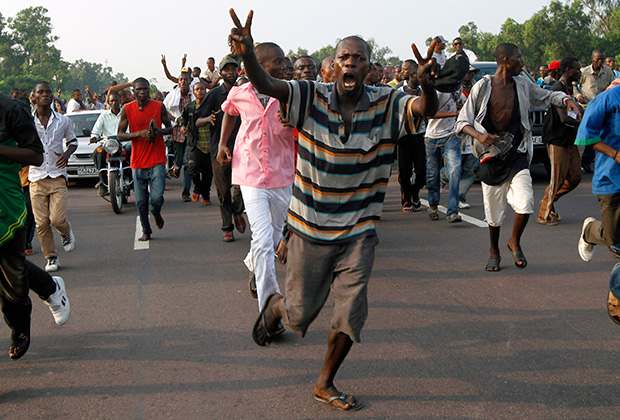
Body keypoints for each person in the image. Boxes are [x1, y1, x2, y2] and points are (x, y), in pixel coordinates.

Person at [228, 9, 438, 411]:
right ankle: (274, 311)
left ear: (369, 68)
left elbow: (422, 110)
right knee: (299, 314)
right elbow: (268, 83)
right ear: (332, 66)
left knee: (351, 311)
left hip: (359, 231)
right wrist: (249, 56)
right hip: (309, 228)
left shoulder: (388, 102)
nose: (351, 64)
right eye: (344, 57)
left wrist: (427, 87)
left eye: (359, 58)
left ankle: (325, 382)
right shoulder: (309, 95)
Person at [455, 43, 582, 272]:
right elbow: (462, 122)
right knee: (493, 216)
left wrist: (565, 100)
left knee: (525, 203)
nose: (521, 62)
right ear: (506, 61)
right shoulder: (482, 88)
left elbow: (546, 95)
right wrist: (479, 136)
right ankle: (494, 250)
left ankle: (514, 241)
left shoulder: (522, 84)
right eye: (518, 58)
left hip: (517, 154)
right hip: (490, 157)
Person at [218, 42, 295, 312]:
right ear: (258, 67)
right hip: (250, 172)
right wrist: (222, 143)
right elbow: (229, 113)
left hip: (283, 173)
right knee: (262, 239)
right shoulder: (239, 93)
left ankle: (254, 264)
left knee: (273, 239)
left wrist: (293, 120)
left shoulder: (291, 93)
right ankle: (268, 307)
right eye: (277, 61)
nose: (284, 66)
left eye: (285, 61)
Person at [1, 94, 71, 360]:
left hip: (4, 204)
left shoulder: (10, 109)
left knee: (12, 273)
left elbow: (35, 154)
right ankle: (49, 287)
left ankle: (21, 325)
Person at [573, 85, 620, 324]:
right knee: (613, 237)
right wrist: (615, 154)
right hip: (611, 178)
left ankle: (617, 293)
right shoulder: (607, 100)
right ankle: (590, 231)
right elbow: (587, 136)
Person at [29, 81, 78, 272]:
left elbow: (72, 142)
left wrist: (66, 155)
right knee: (41, 223)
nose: (45, 95)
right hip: (36, 176)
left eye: (48, 92)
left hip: (57, 176)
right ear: (33, 96)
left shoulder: (63, 121)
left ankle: (66, 232)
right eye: (40, 92)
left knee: (56, 219)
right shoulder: (27, 122)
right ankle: (51, 257)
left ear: (52, 96)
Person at [117, 78, 173, 241]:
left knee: (156, 197)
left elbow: (170, 127)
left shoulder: (158, 106)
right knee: (141, 201)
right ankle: (146, 230)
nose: (142, 92)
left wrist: (158, 132)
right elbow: (120, 135)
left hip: (157, 159)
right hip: (138, 161)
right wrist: (139, 134)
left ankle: (156, 212)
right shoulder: (127, 109)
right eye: (139, 89)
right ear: (133, 92)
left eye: (145, 89)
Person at [199, 56, 246, 242]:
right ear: (221, 73)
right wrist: (208, 119)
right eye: (227, 69)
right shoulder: (213, 95)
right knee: (224, 191)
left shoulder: (244, 92)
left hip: (243, 147)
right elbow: (198, 118)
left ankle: (238, 210)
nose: (231, 73)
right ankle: (227, 227)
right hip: (218, 149)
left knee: (241, 187)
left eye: (234, 69)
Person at [537, 57, 583, 225]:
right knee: (557, 178)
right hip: (557, 139)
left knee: (575, 178)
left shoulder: (570, 88)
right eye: (576, 69)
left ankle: (547, 201)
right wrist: (583, 123)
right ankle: (544, 214)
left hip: (569, 139)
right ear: (567, 70)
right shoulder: (558, 89)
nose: (579, 72)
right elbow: (564, 118)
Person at [577, 49, 615, 173]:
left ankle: (593, 160)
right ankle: (586, 161)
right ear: (592, 59)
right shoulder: (584, 72)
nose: (600, 61)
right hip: (588, 107)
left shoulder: (608, 71)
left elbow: (612, 86)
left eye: (602, 59)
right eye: (598, 59)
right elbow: (573, 85)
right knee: (590, 134)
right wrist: (578, 96)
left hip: (604, 107)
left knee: (602, 134)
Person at [396, 60, 426, 212]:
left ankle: (415, 191)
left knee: (422, 172)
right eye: (402, 69)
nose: (402, 72)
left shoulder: (424, 91)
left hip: (421, 136)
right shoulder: (398, 90)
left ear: (414, 74)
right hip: (403, 137)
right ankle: (407, 199)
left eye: (405, 69)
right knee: (405, 172)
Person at [181, 82, 215, 205]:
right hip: (195, 143)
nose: (200, 91)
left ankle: (205, 195)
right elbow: (183, 119)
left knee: (208, 173)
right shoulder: (189, 107)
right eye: (197, 89)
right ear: (193, 92)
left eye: (202, 89)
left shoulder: (211, 106)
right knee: (192, 167)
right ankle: (197, 188)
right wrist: (183, 126)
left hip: (210, 144)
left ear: (206, 91)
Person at [89, 92, 128, 196]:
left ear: (120, 100)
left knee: (132, 151)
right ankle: (102, 181)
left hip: (124, 143)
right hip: (109, 145)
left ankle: (135, 178)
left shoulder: (126, 113)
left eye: (116, 100)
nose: (114, 103)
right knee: (97, 153)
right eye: (112, 101)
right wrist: (94, 137)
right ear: (109, 103)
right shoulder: (104, 115)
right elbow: (96, 130)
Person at [163, 70, 194, 201]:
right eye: (180, 80)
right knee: (178, 160)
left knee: (187, 163)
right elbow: (163, 109)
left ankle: (186, 192)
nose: (183, 82)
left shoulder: (194, 95)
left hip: (191, 133)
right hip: (176, 132)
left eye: (185, 80)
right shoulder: (172, 96)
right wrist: (175, 119)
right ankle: (175, 167)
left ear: (190, 81)